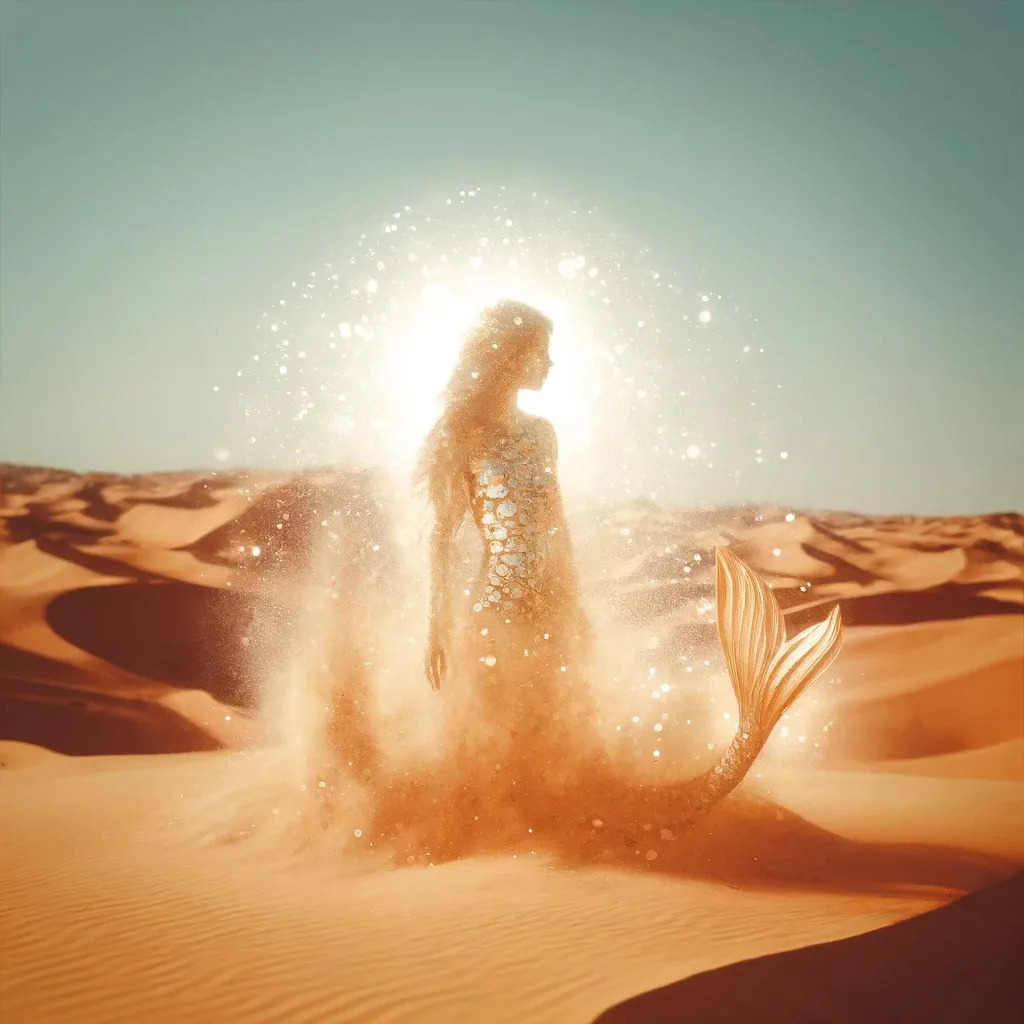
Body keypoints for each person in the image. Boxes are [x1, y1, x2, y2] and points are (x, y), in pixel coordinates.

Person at [414, 300, 602, 821]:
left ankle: (569, 821)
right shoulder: (462, 434)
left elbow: (556, 525)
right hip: (496, 606)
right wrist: (437, 627)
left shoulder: (543, 433)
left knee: (561, 715)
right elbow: (442, 539)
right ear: (511, 356)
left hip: (553, 600)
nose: (550, 365)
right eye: (541, 352)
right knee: (499, 724)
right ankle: (496, 835)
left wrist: (577, 603)